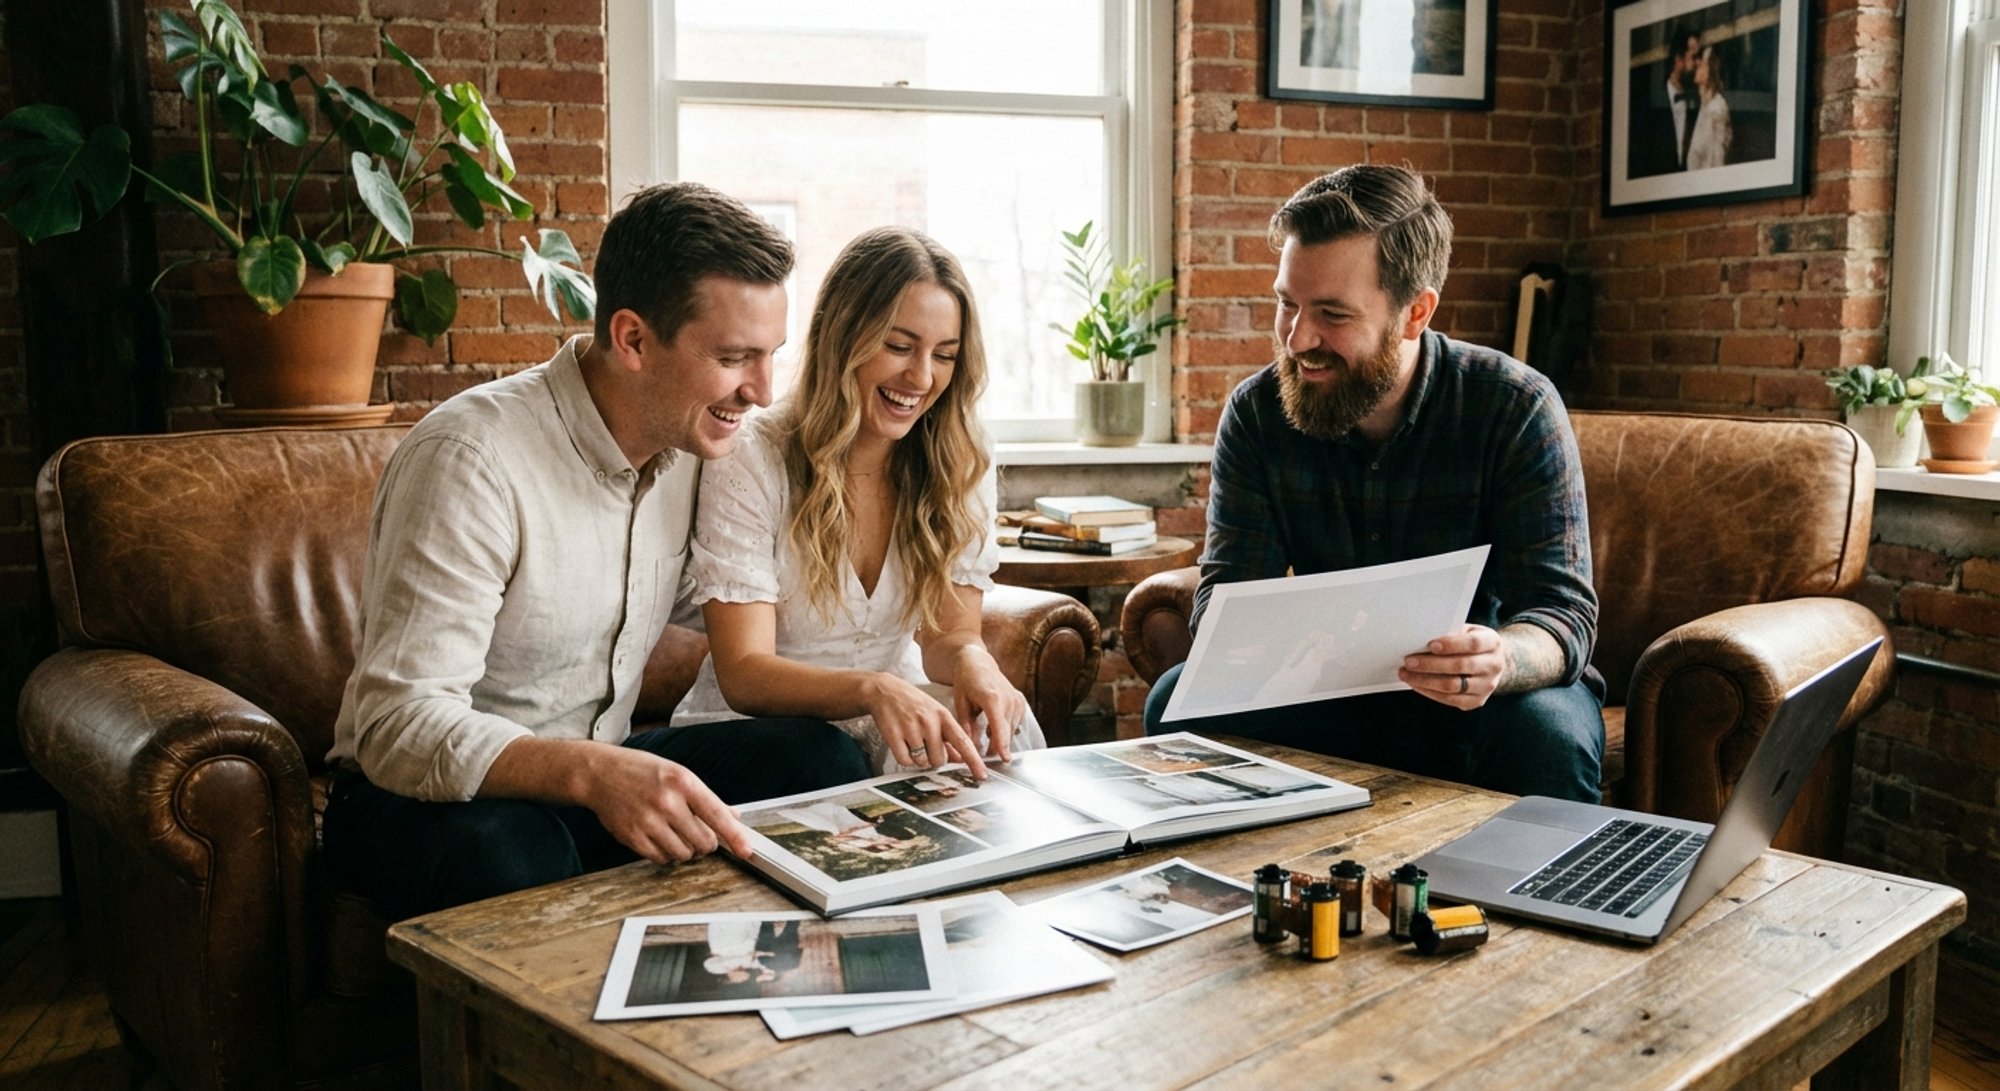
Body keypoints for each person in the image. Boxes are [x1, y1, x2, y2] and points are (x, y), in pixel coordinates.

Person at [322, 182, 872, 922]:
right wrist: (594, 774)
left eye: (771, 355)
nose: (763, 392)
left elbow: (751, 599)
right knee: (521, 851)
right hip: (422, 798)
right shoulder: (472, 457)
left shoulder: (694, 451)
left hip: (597, 768)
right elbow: (399, 722)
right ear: (633, 339)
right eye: (735, 357)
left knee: (822, 760)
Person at [1142, 164, 1604, 803]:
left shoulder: (1514, 407)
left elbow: (1562, 615)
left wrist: (1499, 659)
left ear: (1416, 313)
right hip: (1324, 689)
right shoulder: (1257, 413)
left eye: (1332, 314)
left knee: (1550, 734)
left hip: (1475, 700)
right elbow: (1225, 599)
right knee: (1174, 706)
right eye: (1287, 304)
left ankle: (1532, 905)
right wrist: (1265, 643)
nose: (1298, 339)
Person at [671, 226, 1044, 776]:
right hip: (767, 734)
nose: (921, 377)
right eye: (898, 346)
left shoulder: (961, 458)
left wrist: (975, 662)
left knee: (997, 736)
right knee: (834, 761)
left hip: (896, 712)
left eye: (945, 355)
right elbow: (746, 671)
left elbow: (949, 638)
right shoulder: (753, 456)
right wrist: (874, 689)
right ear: (842, 337)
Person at [1629, 23, 1702, 179]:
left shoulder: (1697, 105)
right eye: (1694, 57)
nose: (1698, 64)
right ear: (1678, 58)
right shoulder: (1649, 104)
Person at [1686, 43, 1733, 171]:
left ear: (1713, 70)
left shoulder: (1716, 108)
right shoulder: (1705, 106)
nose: (1697, 62)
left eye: (1703, 62)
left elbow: (1716, 161)